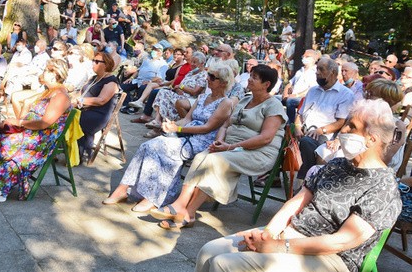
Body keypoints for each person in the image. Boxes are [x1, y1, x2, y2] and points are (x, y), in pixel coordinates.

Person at [158, 100, 402, 272]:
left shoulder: (383, 188)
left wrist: (281, 246)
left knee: (227, 268)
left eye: (351, 126)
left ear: (371, 139)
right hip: (292, 238)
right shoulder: (338, 167)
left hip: (332, 261)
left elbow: (342, 242)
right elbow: (295, 203)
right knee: (210, 250)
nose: (342, 129)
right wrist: (269, 233)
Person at [150, 65, 287, 228]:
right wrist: (220, 141)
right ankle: (182, 208)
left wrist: (230, 147)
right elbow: (224, 125)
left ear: (266, 84)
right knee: (202, 156)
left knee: (214, 161)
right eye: (250, 75)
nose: (249, 79)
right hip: (230, 146)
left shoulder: (273, 105)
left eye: (255, 77)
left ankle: (187, 211)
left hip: (257, 152)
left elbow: (265, 138)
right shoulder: (245, 99)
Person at [104, 65, 236, 213]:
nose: (208, 79)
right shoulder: (202, 97)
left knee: (161, 150)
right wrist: (171, 125)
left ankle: (154, 197)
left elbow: (207, 128)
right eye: (208, 75)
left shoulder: (226, 103)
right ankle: (124, 187)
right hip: (185, 134)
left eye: (212, 77)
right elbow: (187, 119)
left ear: (223, 82)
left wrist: (178, 129)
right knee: (147, 146)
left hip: (202, 140)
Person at [0, 59, 72, 202]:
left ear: (55, 74)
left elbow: (45, 123)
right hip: (32, 132)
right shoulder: (49, 92)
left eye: (47, 70)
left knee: (7, 142)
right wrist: (15, 122)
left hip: (41, 139)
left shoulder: (60, 96)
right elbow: (28, 104)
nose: (43, 72)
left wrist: (19, 123)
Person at [294, 58, 355, 177]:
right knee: (279, 133)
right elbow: (300, 114)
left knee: (307, 142)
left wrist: (321, 130)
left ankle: (307, 181)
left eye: (321, 69)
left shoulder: (345, 94)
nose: (317, 72)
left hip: (324, 136)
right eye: (317, 69)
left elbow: (341, 122)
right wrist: (297, 126)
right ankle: (272, 175)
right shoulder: (312, 90)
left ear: (332, 72)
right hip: (303, 131)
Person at [144, 52, 208, 133]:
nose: (192, 64)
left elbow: (195, 92)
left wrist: (181, 87)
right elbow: (180, 86)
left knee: (166, 97)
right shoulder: (190, 73)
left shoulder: (203, 75)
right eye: (191, 61)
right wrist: (178, 89)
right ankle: (158, 121)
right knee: (163, 92)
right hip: (180, 94)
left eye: (195, 62)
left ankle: (160, 127)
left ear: (202, 63)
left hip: (190, 99)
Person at [76, 51, 120, 163]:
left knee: (75, 119)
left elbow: (101, 101)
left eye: (96, 61)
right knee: (64, 114)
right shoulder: (93, 78)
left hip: (99, 114)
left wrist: (80, 100)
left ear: (106, 64)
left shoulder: (111, 82)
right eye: (93, 61)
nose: (93, 63)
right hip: (85, 109)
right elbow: (80, 92)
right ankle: (69, 150)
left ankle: (79, 153)